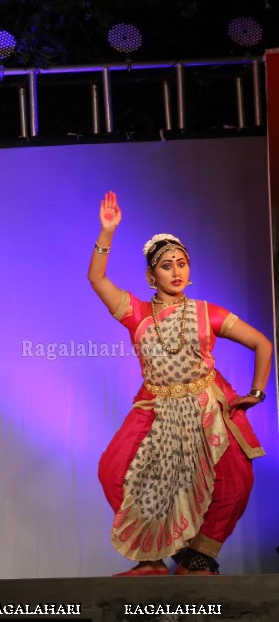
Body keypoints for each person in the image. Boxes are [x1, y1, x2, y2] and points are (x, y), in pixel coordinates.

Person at [89, 191, 271, 575]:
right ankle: (151, 558)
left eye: (182, 263)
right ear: (150, 275)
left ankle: (198, 557)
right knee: (115, 469)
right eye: (167, 265)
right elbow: (96, 278)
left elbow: (262, 343)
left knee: (232, 481)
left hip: (206, 403)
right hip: (155, 404)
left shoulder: (208, 312)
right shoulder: (135, 312)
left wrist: (256, 392)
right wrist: (107, 233)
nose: (176, 271)